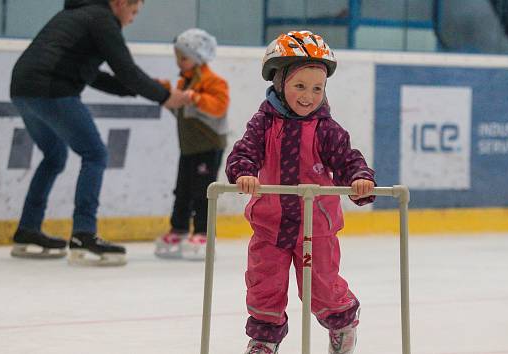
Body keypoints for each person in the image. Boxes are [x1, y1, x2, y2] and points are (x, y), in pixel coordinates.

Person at [226, 30, 376, 354]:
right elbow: (244, 153)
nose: (308, 96)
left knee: (321, 288)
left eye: (317, 88)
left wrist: (360, 179)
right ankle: (264, 340)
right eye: (299, 86)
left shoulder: (327, 129)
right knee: (264, 285)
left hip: (316, 227)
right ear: (280, 83)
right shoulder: (263, 124)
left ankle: (342, 322)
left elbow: (349, 160)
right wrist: (244, 172)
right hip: (270, 226)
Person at [9, 0, 188, 266]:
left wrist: (140, 89)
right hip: (51, 89)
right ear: (119, 3)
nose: (133, 18)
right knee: (95, 154)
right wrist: (164, 96)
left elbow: (92, 75)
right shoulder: (102, 20)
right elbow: (126, 70)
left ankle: (27, 230)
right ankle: (83, 233)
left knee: (55, 156)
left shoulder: (81, 16)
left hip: (23, 90)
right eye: (134, 11)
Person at [153, 28, 230, 260]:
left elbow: (219, 106)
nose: (179, 62)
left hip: (208, 146)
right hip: (188, 147)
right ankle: (179, 228)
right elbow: (182, 111)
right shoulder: (184, 82)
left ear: (197, 58)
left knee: (202, 191)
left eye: (183, 58)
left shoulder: (213, 82)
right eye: (177, 57)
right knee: (183, 188)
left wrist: (194, 97)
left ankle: (203, 232)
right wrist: (166, 93)